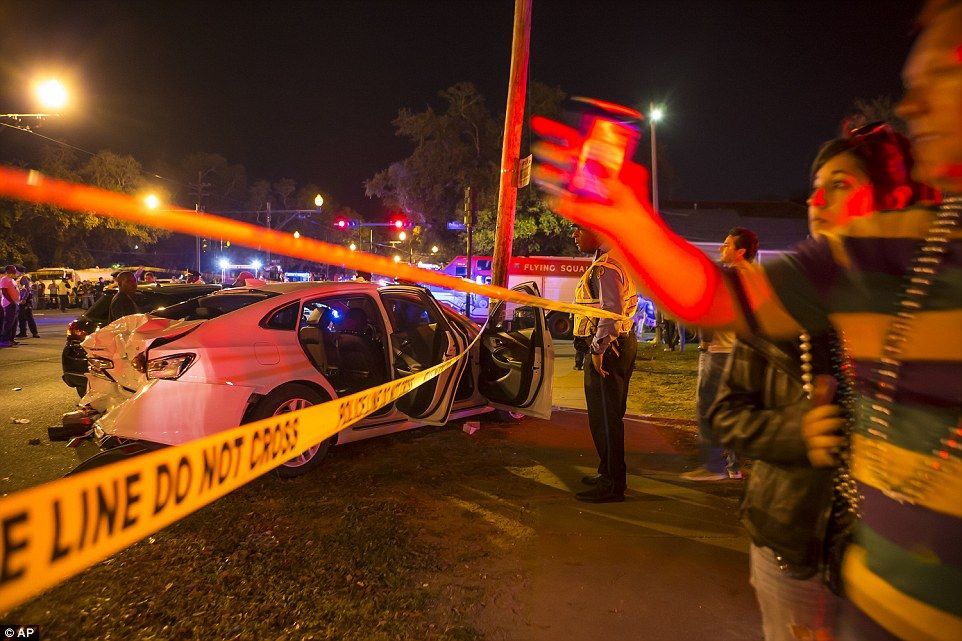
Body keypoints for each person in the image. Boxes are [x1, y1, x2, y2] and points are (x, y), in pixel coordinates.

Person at [533, 2, 960, 636]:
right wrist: (626, 217)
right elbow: (714, 298)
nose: (913, 107)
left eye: (941, 79)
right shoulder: (884, 251)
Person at [709, 124, 932, 641]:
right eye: (814, 187)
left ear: (891, 198)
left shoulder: (923, 307)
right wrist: (796, 432)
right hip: (794, 550)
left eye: (839, 184)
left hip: (888, 562)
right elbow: (724, 415)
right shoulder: (779, 309)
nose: (815, 201)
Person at [682, 227, 757, 482]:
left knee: (708, 408)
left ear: (740, 252)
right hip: (739, 353)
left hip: (718, 352)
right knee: (733, 409)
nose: (720, 249)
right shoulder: (753, 277)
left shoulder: (729, 278)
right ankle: (735, 466)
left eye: (726, 245)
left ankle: (713, 467)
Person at [570, 225, 639, 503]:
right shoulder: (611, 261)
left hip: (609, 348)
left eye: (578, 230)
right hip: (615, 345)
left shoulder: (607, 266)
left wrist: (597, 349)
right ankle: (607, 472)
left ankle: (612, 484)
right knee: (605, 417)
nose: (574, 236)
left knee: (606, 419)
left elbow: (611, 311)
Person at [0, 265, 21, 348]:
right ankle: (5, 340)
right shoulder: (4, 279)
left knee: (14, 323)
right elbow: (4, 292)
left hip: (15, 303)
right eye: (13, 271)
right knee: (9, 322)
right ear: (8, 271)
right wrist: (11, 301)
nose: (14, 272)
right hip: (9, 304)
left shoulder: (12, 280)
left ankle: (11, 339)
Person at [15, 275, 39, 339]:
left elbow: (27, 290)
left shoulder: (23, 278)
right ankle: (23, 332)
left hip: (25, 302)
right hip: (22, 301)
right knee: (21, 317)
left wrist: (24, 299)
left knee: (28, 317)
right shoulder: (21, 278)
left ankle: (34, 333)